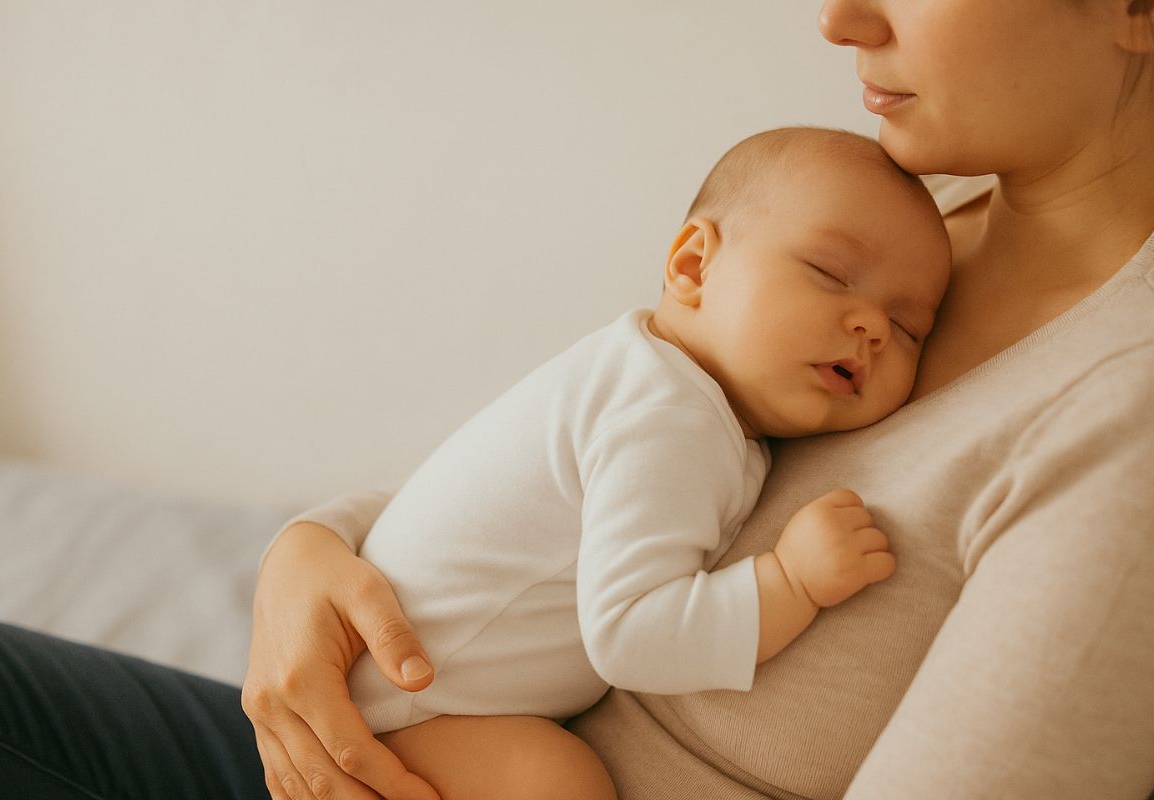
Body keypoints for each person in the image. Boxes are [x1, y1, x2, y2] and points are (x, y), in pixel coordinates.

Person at [0, 2, 1151, 800]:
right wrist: (315, 547)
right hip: (391, 737)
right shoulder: (916, 227)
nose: (838, 18)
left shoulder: (1120, 416)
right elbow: (583, 459)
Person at [259, 126, 948, 795]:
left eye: (909, 327)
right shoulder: (669, 417)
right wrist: (790, 582)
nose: (872, 327)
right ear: (693, 267)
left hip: (388, 687)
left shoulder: (641, 374)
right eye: (831, 274)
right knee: (557, 783)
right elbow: (632, 636)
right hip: (400, 711)